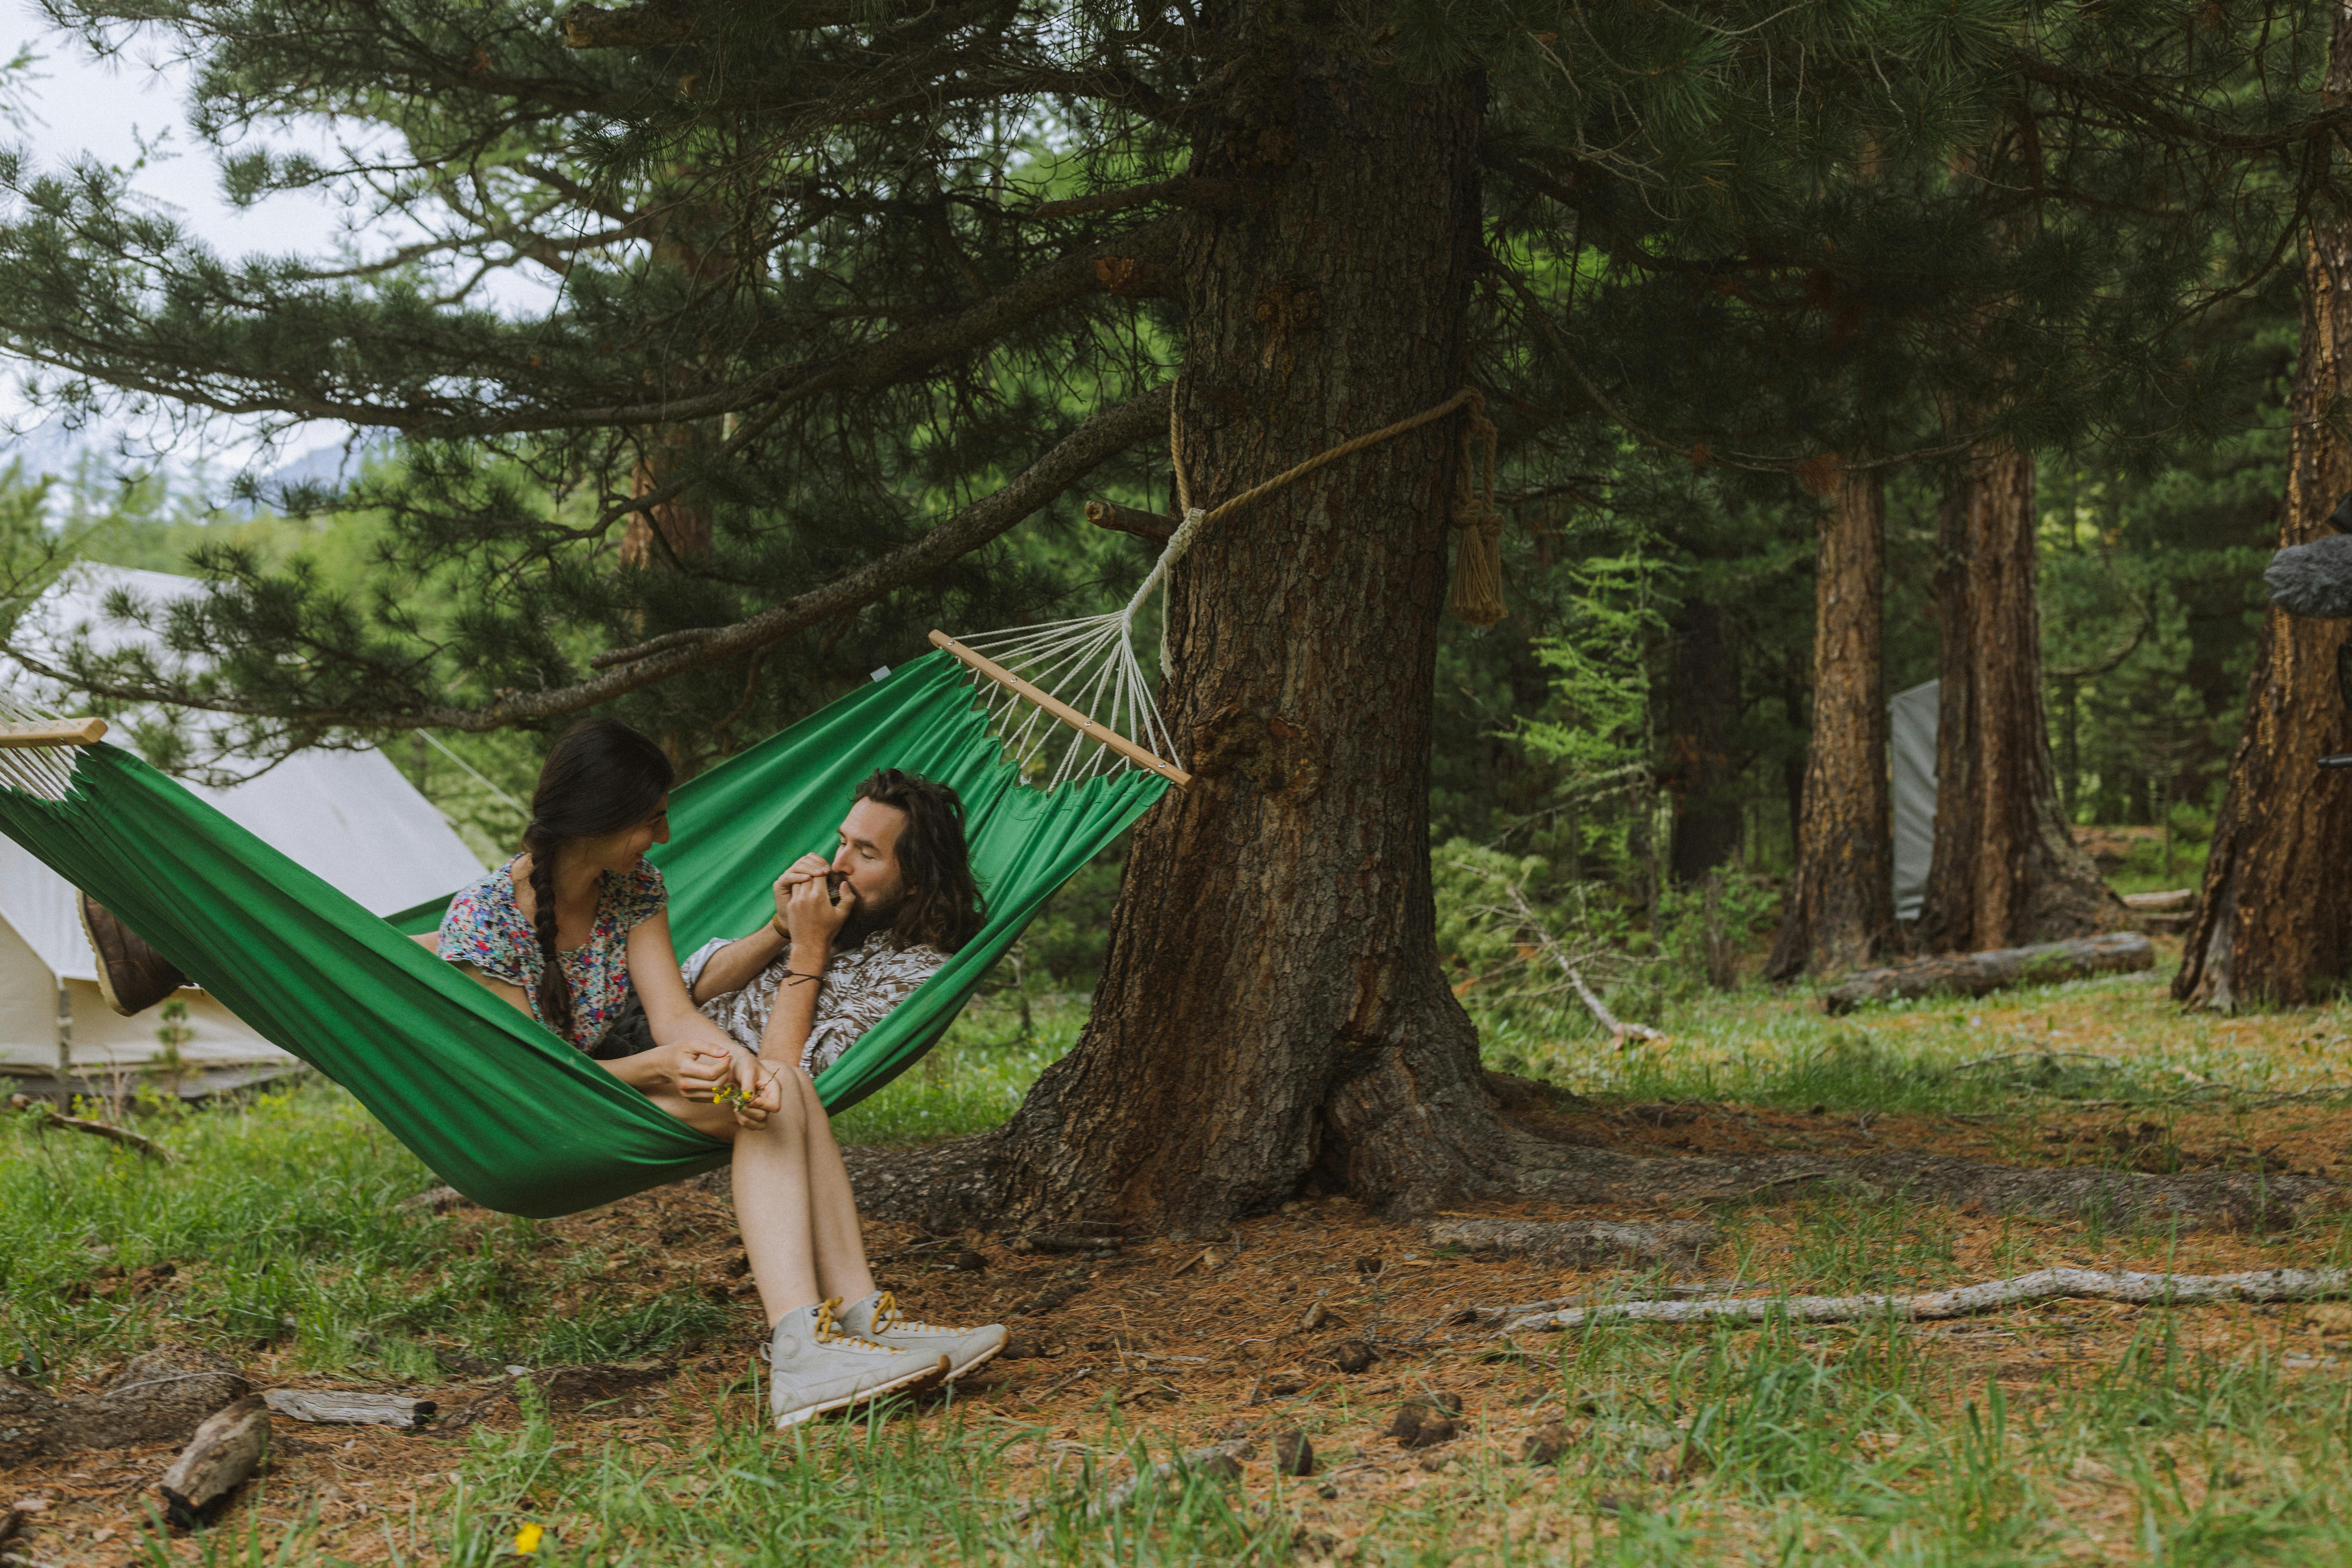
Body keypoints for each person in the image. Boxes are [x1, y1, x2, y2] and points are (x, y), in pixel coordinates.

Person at [429, 720, 1001, 1428]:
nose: (664, 837)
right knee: (772, 1085)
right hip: (535, 1119)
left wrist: (738, 1065)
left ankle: (844, 1328)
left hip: (621, 1085)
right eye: (651, 820)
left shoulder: (634, 885)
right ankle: (810, 1346)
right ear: (595, 820)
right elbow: (532, 1075)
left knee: (777, 1089)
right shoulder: (485, 919)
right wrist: (665, 1063)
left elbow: (674, 1012)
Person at [682, 768, 985, 1077]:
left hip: (715, 1089)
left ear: (915, 880)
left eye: (866, 854)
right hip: (656, 1038)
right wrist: (781, 928)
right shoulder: (825, 916)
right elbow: (690, 992)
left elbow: (785, 1080)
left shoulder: (915, 973)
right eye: (843, 843)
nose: (838, 864)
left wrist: (809, 948)